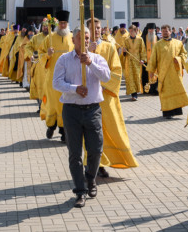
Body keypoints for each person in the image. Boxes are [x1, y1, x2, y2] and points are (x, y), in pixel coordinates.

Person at [52, 27, 111, 208]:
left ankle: (90, 179)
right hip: (72, 111)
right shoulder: (64, 59)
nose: (85, 40)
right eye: (81, 38)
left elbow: (107, 77)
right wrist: (74, 88)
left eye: (87, 37)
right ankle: (80, 191)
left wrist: (90, 63)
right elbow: (56, 83)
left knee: (95, 150)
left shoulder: (97, 58)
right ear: (73, 40)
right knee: (75, 154)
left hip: (93, 110)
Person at [86, 17, 139, 177]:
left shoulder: (109, 47)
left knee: (107, 131)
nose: (96, 30)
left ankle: (103, 163)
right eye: (93, 28)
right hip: (88, 98)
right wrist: (88, 50)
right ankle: (91, 164)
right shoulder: (82, 48)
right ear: (87, 30)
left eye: (98, 27)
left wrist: (103, 85)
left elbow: (116, 70)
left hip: (105, 96)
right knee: (89, 132)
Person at [42, 11, 75, 141]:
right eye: (61, 23)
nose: (62, 25)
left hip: (67, 77)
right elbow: (40, 54)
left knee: (65, 104)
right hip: (52, 77)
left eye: (64, 23)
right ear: (57, 24)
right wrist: (48, 55)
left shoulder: (72, 37)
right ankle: (51, 126)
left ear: (67, 24)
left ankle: (64, 131)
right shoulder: (49, 38)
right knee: (52, 104)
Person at [149, 24, 188, 118]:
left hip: (175, 73)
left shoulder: (178, 43)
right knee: (165, 92)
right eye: (163, 31)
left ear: (170, 32)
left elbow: (184, 54)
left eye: (166, 31)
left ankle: (177, 112)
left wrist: (179, 59)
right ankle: (167, 113)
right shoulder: (158, 45)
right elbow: (153, 58)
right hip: (164, 74)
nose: (165, 33)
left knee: (176, 90)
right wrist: (151, 71)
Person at [120, 24, 145, 100]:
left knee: (136, 77)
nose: (130, 33)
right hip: (129, 61)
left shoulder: (140, 39)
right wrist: (124, 51)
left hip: (137, 61)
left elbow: (142, 51)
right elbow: (124, 50)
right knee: (130, 77)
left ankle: (136, 92)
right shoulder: (126, 40)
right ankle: (133, 95)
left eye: (132, 31)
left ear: (135, 31)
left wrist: (143, 60)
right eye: (130, 31)